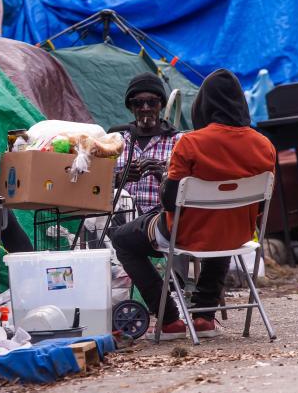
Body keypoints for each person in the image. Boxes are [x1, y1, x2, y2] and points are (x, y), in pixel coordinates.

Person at [111, 69, 276, 339]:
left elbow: (170, 201)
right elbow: (261, 205)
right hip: (240, 234)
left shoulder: (189, 143)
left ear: (203, 105)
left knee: (122, 239)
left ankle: (170, 321)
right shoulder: (264, 145)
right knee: (222, 225)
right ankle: (204, 317)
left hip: (186, 233)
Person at [115, 72, 182, 214]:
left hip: (161, 222)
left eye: (152, 102)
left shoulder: (179, 142)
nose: (145, 108)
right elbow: (97, 187)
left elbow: (189, 189)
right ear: (131, 107)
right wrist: (119, 178)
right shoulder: (116, 141)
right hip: (119, 220)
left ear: (161, 105)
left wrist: (165, 178)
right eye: (138, 103)